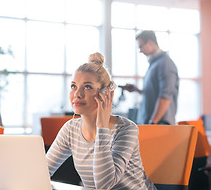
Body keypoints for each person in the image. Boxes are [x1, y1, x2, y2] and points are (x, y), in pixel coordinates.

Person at [46, 52, 155, 190]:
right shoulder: (70, 130)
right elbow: (43, 171)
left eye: (87, 87)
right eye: (74, 86)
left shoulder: (126, 129)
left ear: (106, 93)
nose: (77, 94)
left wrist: (102, 126)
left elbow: (104, 185)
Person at [122, 30, 179, 125]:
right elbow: (154, 93)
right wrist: (137, 90)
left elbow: (166, 96)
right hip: (152, 123)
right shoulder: (154, 64)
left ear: (150, 42)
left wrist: (153, 123)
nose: (140, 51)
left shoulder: (165, 63)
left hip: (160, 124)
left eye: (141, 46)